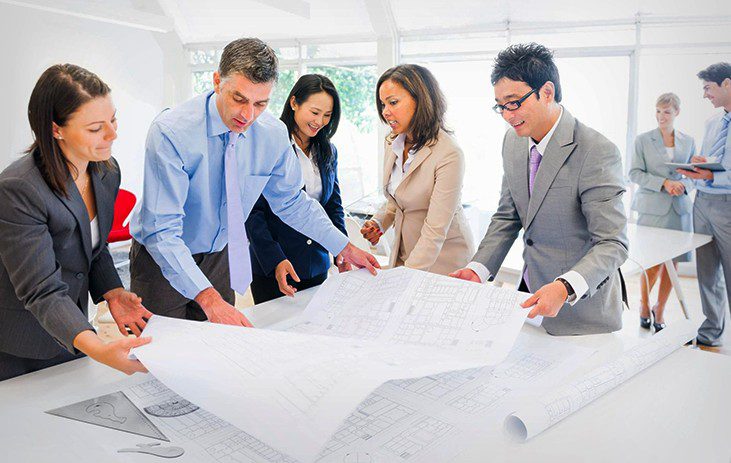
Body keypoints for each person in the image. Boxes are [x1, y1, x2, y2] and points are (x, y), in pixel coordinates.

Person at [130, 38, 378, 326]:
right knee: (161, 351)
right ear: (216, 82)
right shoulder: (171, 132)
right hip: (161, 256)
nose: (247, 115)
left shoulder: (272, 134)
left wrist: (344, 247)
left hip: (218, 256)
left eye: (260, 103)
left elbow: (292, 202)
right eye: (239, 99)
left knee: (218, 346)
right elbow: (162, 229)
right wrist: (209, 299)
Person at [450, 43, 628, 336]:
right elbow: (508, 217)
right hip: (529, 299)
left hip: (581, 311)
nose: (507, 115)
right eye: (500, 106)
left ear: (547, 92)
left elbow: (612, 243)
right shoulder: (513, 141)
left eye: (514, 102)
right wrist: (478, 269)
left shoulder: (596, 150)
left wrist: (565, 286)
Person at [0, 64, 152, 381]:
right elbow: (41, 291)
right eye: (96, 128)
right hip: (21, 343)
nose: (113, 134)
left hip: (72, 330)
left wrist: (112, 292)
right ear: (56, 129)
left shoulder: (106, 171)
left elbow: (94, 248)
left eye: (113, 120)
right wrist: (99, 348)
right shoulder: (19, 189)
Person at [360, 64, 475, 275]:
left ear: (420, 99)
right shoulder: (393, 143)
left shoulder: (448, 153)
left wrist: (403, 276)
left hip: (445, 262)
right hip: (407, 256)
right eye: (383, 104)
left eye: (393, 102)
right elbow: (399, 198)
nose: (385, 111)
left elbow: (435, 230)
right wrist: (379, 222)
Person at [246, 74, 349, 303]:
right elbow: (253, 213)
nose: (320, 121)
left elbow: (333, 206)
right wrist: (275, 259)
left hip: (317, 263)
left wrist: (341, 247)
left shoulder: (328, 151)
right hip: (276, 264)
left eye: (327, 115)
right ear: (294, 103)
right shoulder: (270, 145)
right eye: (314, 112)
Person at [629, 93, 695, 332]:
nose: (661, 116)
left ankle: (660, 309)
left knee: (673, 264)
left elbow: (694, 176)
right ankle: (644, 306)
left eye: (666, 112)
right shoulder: (643, 140)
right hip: (652, 209)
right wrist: (663, 183)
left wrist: (684, 185)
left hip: (679, 210)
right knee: (652, 263)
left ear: (677, 113)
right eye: (658, 111)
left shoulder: (688, 142)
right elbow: (634, 173)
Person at [676, 62, 731, 347]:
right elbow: (711, 159)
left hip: (728, 204)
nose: (705, 95)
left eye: (708, 88)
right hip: (704, 201)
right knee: (707, 271)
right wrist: (698, 165)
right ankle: (711, 332)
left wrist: (713, 173)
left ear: (727, 84)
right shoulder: (712, 123)